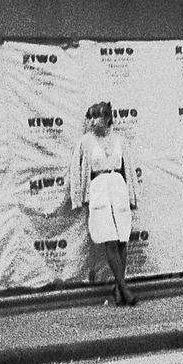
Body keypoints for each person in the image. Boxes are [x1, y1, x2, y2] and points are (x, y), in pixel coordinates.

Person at [69, 101, 139, 306]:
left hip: (118, 187)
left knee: (122, 239)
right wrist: (79, 196)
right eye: (89, 118)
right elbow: (77, 169)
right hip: (99, 189)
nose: (92, 122)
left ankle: (118, 287)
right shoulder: (86, 142)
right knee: (110, 239)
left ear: (108, 118)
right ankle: (124, 288)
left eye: (97, 117)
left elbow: (129, 168)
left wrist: (132, 196)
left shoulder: (119, 139)